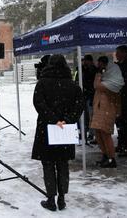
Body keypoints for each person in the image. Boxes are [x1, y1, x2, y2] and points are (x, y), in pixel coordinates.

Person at [32, 55, 84, 211]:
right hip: (65, 130)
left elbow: (38, 103)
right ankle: (62, 198)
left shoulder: (42, 83)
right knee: (63, 164)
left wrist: (54, 120)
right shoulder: (73, 85)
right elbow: (79, 106)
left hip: (46, 128)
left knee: (48, 163)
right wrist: (66, 120)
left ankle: (51, 199)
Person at [90, 56, 124, 168]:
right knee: (98, 134)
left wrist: (98, 74)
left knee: (105, 134)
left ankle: (111, 158)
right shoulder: (107, 78)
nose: (100, 67)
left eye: (101, 65)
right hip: (99, 109)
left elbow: (96, 86)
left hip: (107, 110)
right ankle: (105, 156)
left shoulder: (114, 81)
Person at [75, 55, 97, 142]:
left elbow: (92, 82)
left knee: (91, 115)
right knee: (83, 116)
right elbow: (77, 81)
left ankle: (91, 133)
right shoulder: (81, 70)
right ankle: (83, 133)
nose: (84, 62)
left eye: (85, 60)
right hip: (84, 95)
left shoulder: (93, 70)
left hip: (90, 96)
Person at [115, 45, 127, 156]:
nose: (116, 55)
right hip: (119, 99)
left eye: (118, 52)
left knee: (125, 124)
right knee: (120, 123)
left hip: (126, 99)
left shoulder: (126, 66)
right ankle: (121, 144)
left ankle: (126, 147)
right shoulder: (118, 66)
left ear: (124, 53)